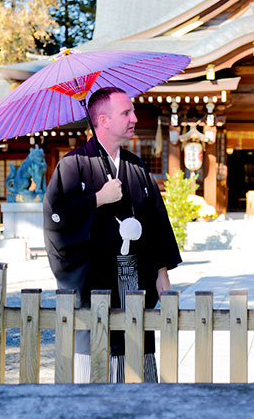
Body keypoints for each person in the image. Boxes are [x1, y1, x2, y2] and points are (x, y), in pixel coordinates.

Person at [44, 86, 181, 383]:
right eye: (126, 112)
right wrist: (97, 199)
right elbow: (57, 218)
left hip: (133, 279)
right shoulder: (72, 165)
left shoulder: (135, 165)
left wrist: (161, 273)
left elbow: (157, 219)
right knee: (96, 365)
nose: (134, 118)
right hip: (94, 281)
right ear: (103, 120)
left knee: (136, 356)